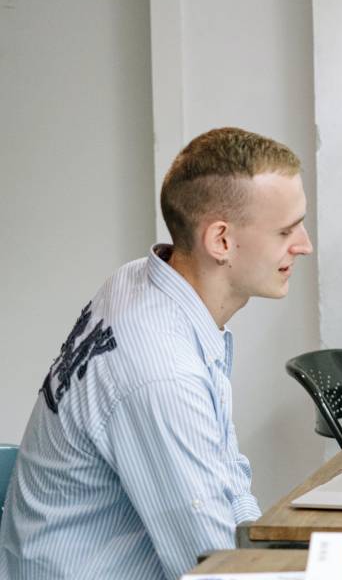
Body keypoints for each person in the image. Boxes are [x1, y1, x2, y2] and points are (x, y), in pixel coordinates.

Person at [0, 128, 314, 579]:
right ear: (220, 241)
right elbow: (214, 568)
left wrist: (263, 547)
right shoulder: (161, 372)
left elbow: (226, 478)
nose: (304, 244)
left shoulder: (141, 280)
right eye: (286, 230)